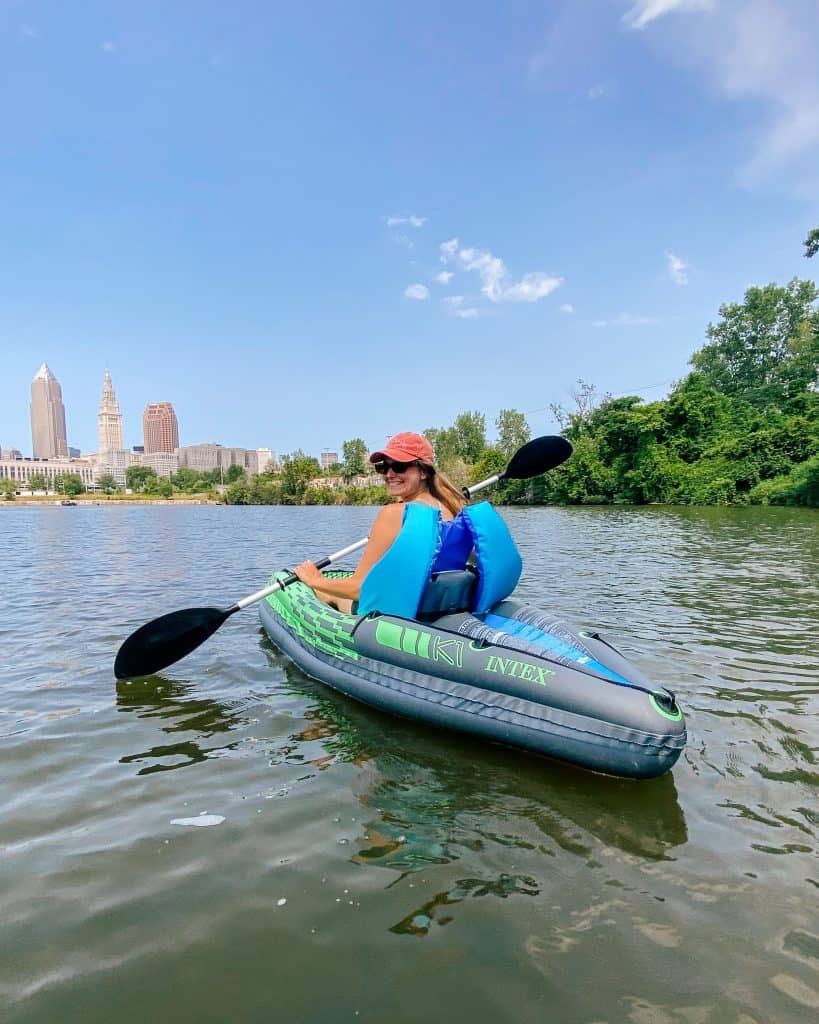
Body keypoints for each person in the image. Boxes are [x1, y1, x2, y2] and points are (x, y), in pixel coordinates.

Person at [293, 432, 472, 614]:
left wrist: (315, 580)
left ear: (424, 471)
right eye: (383, 467)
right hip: (438, 607)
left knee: (330, 594)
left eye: (400, 466)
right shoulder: (454, 509)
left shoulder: (393, 514)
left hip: (397, 614)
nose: (389, 474)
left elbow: (360, 588)